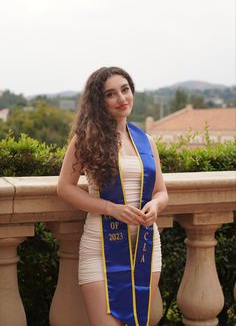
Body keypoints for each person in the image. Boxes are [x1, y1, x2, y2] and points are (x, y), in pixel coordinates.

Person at [57, 66, 169, 326]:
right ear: (99, 101)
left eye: (125, 90)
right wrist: (111, 208)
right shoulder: (85, 139)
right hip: (100, 246)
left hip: (144, 247)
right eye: (111, 94)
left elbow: (161, 191)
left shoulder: (146, 141)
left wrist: (155, 205)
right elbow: (65, 187)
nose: (122, 99)